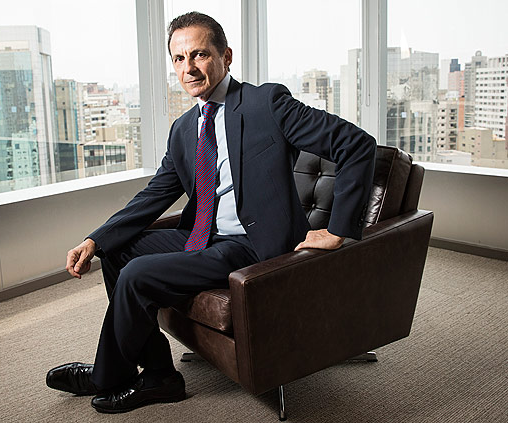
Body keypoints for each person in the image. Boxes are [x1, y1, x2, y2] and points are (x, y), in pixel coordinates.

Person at [46, 11, 376, 414]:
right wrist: (95, 239)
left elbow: (357, 144)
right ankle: (158, 374)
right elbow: (155, 195)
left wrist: (338, 229)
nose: (189, 68)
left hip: (252, 247)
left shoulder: (266, 103)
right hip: (202, 237)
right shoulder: (184, 128)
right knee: (116, 253)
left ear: (226, 56)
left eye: (199, 54)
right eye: (179, 59)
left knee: (136, 275)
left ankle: (105, 374)